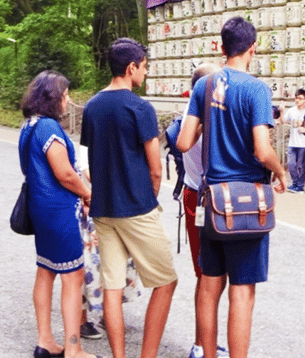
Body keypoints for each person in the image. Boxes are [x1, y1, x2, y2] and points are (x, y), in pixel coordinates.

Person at [177, 16, 288, 358]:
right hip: (246, 204)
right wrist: (281, 172)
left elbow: (183, 142)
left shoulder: (204, 86)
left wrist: (207, 128)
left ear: (221, 48)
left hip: (212, 200)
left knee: (210, 286)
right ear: (252, 48)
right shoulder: (256, 88)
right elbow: (262, 149)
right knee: (242, 291)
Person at [81, 38, 178, 358]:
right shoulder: (140, 107)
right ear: (130, 67)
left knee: (112, 287)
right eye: (144, 67)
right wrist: (148, 203)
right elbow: (155, 170)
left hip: (103, 210)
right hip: (136, 208)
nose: (146, 73)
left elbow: (90, 163)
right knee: (166, 281)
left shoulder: (92, 106)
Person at [18, 71, 99, 358]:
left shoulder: (29, 125)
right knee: (73, 276)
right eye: (65, 95)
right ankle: (73, 349)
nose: (68, 100)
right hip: (59, 212)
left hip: (40, 211)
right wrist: (88, 193)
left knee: (46, 271)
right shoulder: (49, 127)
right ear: (53, 98)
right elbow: (64, 173)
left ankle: (45, 341)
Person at [178, 63, 230, 358]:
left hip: (197, 193)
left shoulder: (194, 113)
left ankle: (206, 342)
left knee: (211, 275)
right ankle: (201, 344)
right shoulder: (199, 116)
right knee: (208, 275)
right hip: (203, 197)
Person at [280, 89, 305, 193]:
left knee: (301, 165)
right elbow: (283, 121)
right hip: (292, 142)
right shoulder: (292, 110)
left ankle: (300, 186)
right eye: (296, 98)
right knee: (291, 164)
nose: (298, 100)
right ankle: (295, 183)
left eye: (300, 98)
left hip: (303, 142)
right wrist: (282, 111)